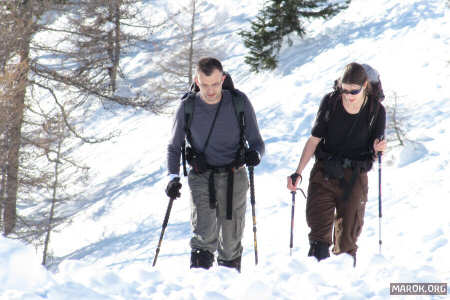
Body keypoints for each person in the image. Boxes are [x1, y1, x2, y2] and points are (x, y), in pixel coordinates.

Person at [165, 57, 265, 272]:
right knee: (204, 234)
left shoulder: (239, 102)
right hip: (202, 177)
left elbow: (257, 142)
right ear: (196, 81)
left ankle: (227, 287)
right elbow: (173, 146)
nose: (210, 91)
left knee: (231, 239)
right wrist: (172, 178)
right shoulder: (187, 107)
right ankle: (200, 286)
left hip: (235, 177)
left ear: (223, 78)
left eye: (215, 84)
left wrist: (254, 155)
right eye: (204, 84)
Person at [287, 62, 386, 266]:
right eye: (344, 90)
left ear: (365, 85)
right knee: (318, 236)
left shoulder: (376, 111)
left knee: (347, 240)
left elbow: (377, 148)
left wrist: (379, 148)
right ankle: (316, 284)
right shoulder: (331, 102)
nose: (348, 96)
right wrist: (298, 172)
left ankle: (344, 288)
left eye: (354, 91)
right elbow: (314, 140)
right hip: (324, 172)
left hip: (354, 178)